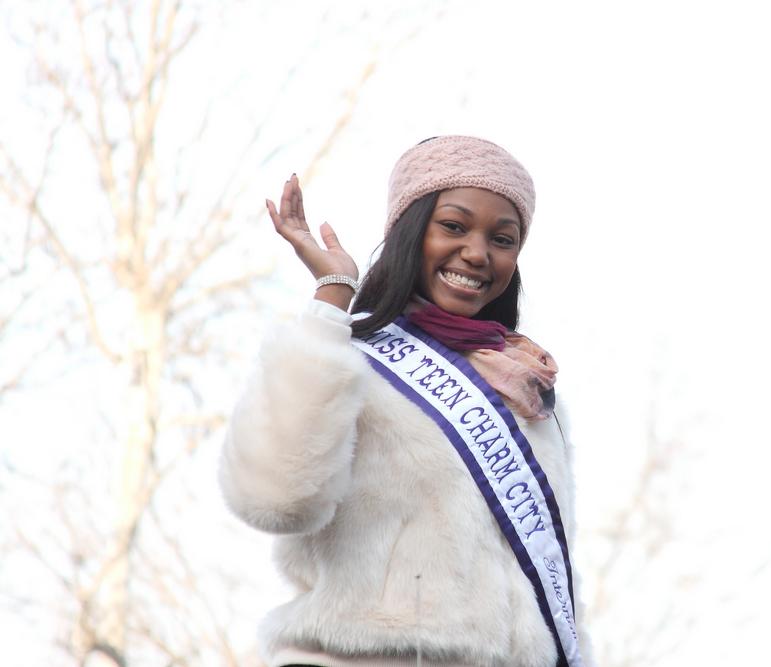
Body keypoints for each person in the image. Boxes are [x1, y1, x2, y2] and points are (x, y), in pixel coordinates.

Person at [219, 136, 591, 667]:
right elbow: (273, 499)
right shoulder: (348, 360)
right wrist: (331, 298)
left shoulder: (529, 395)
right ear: (410, 233)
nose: (477, 253)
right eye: (454, 226)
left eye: (502, 238)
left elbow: (555, 584)